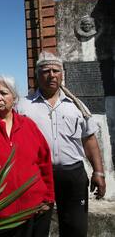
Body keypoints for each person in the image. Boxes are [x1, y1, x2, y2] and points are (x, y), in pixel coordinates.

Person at [17, 51, 106, 237]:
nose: (51, 75)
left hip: (73, 175)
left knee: (75, 228)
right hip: (37, 176)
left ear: (62, 74)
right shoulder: (22, 106)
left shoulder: (77, 106)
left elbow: (89, 139)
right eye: (46, 70)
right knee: (35, 230)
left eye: (56, 70)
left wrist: (98, 172)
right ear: (37, 74)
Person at [0, 75, 54, 237]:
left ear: (14, 97)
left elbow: (44, 162)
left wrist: (48, 197)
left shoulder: (28, 125)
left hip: (34, 209)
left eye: (3, 93)